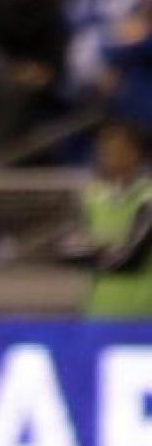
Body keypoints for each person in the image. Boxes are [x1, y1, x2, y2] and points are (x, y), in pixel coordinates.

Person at [79, 121, 152, 318]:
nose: (109, 156)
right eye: (104, 150)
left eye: (118, 149)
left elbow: (131, 259)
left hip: (143, 311)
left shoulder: (148, 199)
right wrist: (108, 247)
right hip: (100, 310)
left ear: (136, 153)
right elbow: (66, 251)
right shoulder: (91, 197)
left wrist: (97, 248)